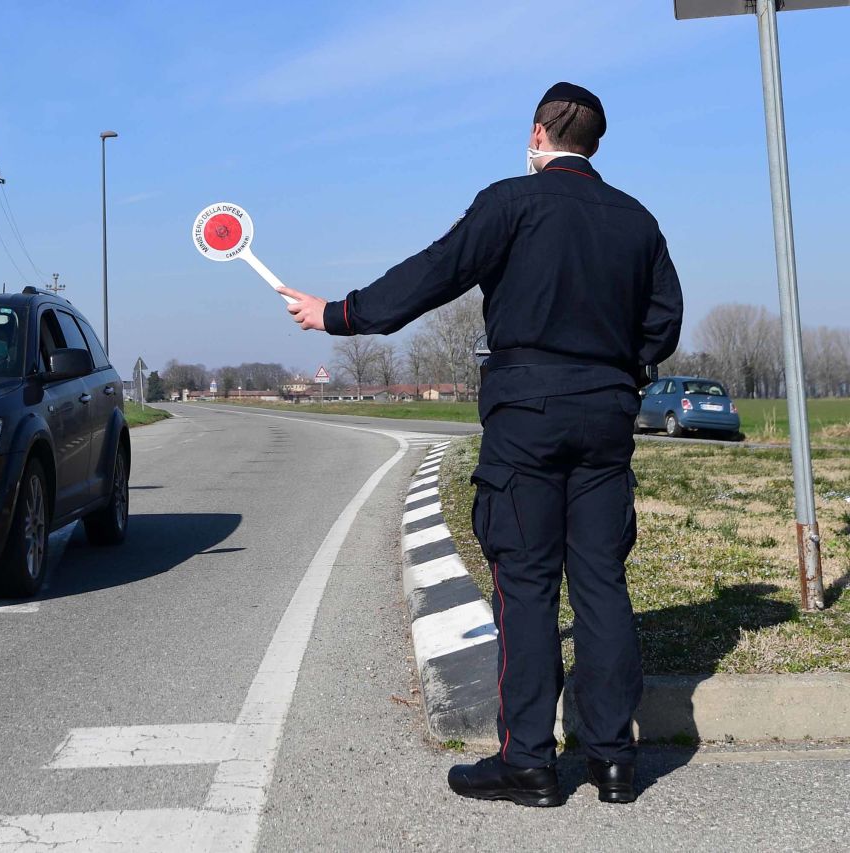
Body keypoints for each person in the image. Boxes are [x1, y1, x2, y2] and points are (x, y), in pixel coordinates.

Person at [279, 82, 683, 807]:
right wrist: (621, 370)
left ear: (538, 135)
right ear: (595, 142)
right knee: (600, 580)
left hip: (526, 412)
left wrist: (339, 313)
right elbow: (663, 324)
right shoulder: (637, 219)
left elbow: (436, 272)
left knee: (526, 585)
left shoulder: (510, 202)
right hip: (606, 416)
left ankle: (528, 762)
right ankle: (614, 760)